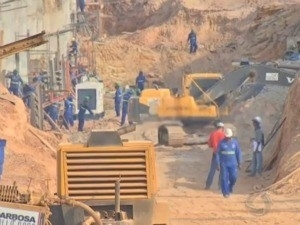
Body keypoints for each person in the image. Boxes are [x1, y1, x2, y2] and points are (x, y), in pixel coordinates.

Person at [216, 128, 242, 198]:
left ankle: (230, 187)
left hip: (233, 164)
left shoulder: (235, 143)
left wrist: (239, 162)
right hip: (224, 164)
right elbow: (217, 154)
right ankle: (225, 192)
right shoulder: (221, 143)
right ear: (225, 136)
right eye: (227, 137)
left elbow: (238, 153)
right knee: (224, 178)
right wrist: (217, 163)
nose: (228, 138)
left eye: (229, 137)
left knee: (233, 178)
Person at [205, 121, 225, 190]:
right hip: (222, 154)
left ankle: (208, 185)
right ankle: (220, 186)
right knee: (222, 170)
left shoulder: (213, 134)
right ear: (222, 127)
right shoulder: (223, 135)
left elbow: (210, 145)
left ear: (216, 127)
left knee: (212, 170)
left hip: (215, 153)